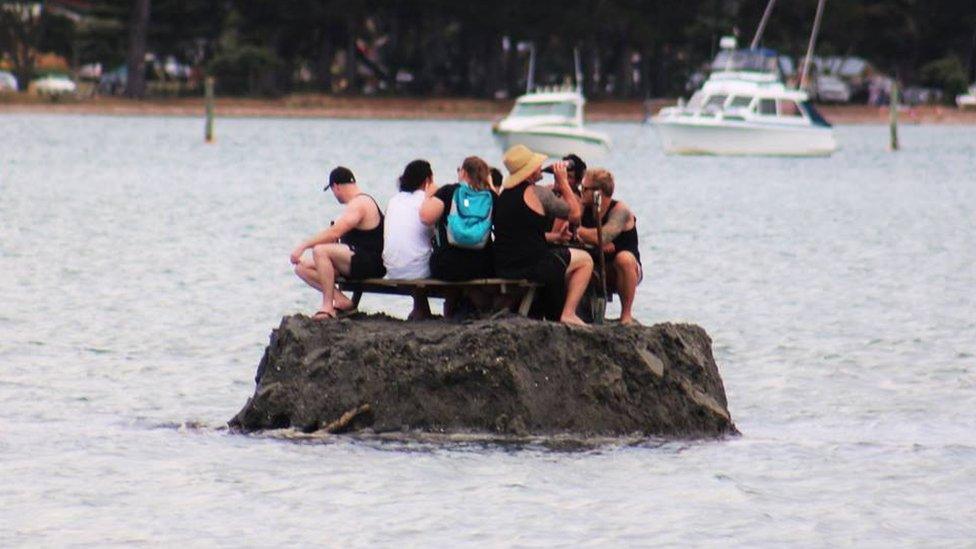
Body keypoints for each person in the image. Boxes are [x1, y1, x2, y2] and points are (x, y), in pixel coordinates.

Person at [493, 145, 593, 325]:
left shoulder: (504, 196)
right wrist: (562, 182)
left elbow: (522, 234)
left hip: (505, 264)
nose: (541, 167)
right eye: (537, 165)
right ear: (530, 172)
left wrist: (556, 238)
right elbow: (575, 214)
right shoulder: (537, 193)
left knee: (558, 256)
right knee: (585, 260)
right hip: (532, 265)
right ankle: (568, 313)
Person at [290, 166, 386, 320]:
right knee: (301, 268)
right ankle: (341, 300)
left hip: (371, 263)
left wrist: (303, 245)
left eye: (333, 191)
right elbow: (337, 235)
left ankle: (327, 307)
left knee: (320, 251)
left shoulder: (360, 203)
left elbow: (335, 231)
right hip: (355, 260)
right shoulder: (353, 205)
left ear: (336, 186)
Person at [576, 168, 642, 325]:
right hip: (593, 264)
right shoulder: (583, 205)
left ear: (598, 192)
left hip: (622, 268)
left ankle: (626, 315)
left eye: (585, 189)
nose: (581, 192)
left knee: (624, 259)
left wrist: (579, 231)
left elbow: (602, 237)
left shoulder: (620, 210)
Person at [420, 155, 495, 281]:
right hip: (482, 267)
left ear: (464, 172)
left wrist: (428, 197)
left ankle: (451, 301)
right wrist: (491, 188)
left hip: (448, 266)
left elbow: (426, 218)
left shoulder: (448, 191)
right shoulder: (491, 197)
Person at [384, 159, 436, 319]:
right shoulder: (426, 201)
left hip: (392, 268)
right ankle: (424, 309)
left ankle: (420, 308)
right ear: (427, 180)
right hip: (416, 269)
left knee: (415, 248)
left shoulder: (394, 200)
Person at [545, 153, 587, 245]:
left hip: (557, 247)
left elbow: (555, 237)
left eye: (569, 177)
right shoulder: (549, 189)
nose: (561, 177)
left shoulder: (574, 200)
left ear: (578, 182)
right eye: (562, 173)